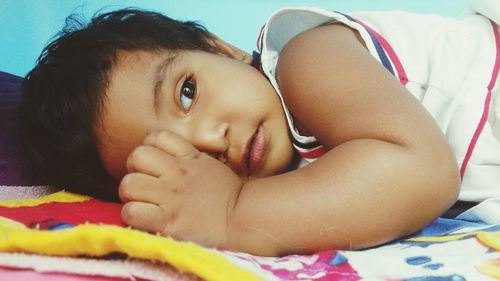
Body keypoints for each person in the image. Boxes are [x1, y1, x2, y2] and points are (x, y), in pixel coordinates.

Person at [19, 1, 500, 256]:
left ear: (220, 48)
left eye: (187, 91)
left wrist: (231, 212)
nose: (209, 141)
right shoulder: (295, 190)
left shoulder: (307, 60)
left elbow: (422, 171)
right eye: (175, 157)